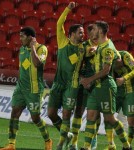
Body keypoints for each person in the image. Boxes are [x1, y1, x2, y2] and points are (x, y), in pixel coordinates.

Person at [0, 27, 52, 150]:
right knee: (14, 113)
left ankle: (48, 141)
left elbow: (38, 64)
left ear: (30, 37)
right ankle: (11, 144)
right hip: (20, 88)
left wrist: (32, 47)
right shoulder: (22, 49)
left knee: (35, 118)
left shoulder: (41, 48)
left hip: (34, 90)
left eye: (22, 36)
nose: (20, 38)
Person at [80, 21, 131, 150]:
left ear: (101, 31)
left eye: (95, 29)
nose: (92, 31)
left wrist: (88, 79)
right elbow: (118, 56)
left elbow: (106, 71)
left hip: (106, 86)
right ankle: (86, 147)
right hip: (95, 88)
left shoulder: (107, 48)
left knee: (109, 119)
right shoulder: (102, 46)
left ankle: (126, 145)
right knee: (91, 116)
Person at [47, 2, 85, 150]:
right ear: (72, 34)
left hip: (72, 85)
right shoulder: (63, 42)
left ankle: (61, 143)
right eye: (80, 32)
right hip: (58, 83)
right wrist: (68, 9)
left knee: (66, 114)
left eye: (83, 32)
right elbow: (59, 23)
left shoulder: (84, 48)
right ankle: (67, 135)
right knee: (51, 113)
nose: (83, 34)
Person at [68, 24, 99, 150]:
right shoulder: (82, 47)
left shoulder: (104, 47)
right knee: (78, 111)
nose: (92, 35)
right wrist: (82, 79)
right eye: (90, 32)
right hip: (83, 84)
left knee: (96, 115)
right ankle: (74, 143)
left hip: (97, 85)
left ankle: (93, 140)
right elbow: (76, 65)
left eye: (95, 32)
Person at [114, 50, 134, 148]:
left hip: (131, 91)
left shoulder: (126, 56)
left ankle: (127, 146)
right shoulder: (109, 62)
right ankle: (111, 144)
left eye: (118, 64)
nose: (118, 67)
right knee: (108, 116)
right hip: (118, 92)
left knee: (131, 121)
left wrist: (124, 78)